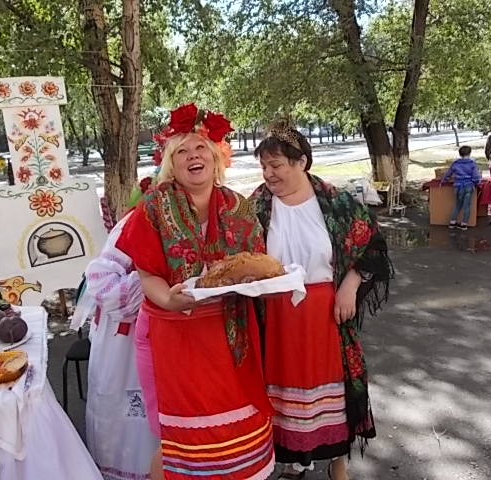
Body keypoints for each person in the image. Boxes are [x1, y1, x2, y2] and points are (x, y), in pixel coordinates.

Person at [115, 103, 275, 480]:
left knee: (236, 430)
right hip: (173, 336)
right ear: (172, 164)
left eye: (200, 148)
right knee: (176, 440)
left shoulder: (238, 205)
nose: (193, 156)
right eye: (182, 151)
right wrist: (169, 299)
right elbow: (147, 275)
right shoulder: (153, 207)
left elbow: (256, 264)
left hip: (229, 336)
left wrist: (259, 285)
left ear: (216, 157)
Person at [251, 122, 393, 480]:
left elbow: (373, 244)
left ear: (301, 162)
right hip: (276, 315)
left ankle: (337, 460)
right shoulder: (257, 205)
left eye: (276, 165)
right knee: (282, 388)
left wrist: (351, 283)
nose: (268, 174)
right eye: (263, 166)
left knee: (333, 386)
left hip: (325, 313)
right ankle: (294, 461)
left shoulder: (335, 202)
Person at [73, 208, 159, 480]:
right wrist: (153, 278)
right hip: (127, 342)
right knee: (134, 420)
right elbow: (105, 286)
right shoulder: (138, 222)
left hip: (171, 336)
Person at [441, 145, 481, 230]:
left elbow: (448, 174)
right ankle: (464, 224)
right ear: (469, 153)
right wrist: (476, 183)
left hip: (457, 186)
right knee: (467, 206)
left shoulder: (455, 163)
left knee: (457, 205)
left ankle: (452, 222)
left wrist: (443, 181)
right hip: (468, 186)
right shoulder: (472, 163)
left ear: (460, 154)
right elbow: (476, 176)